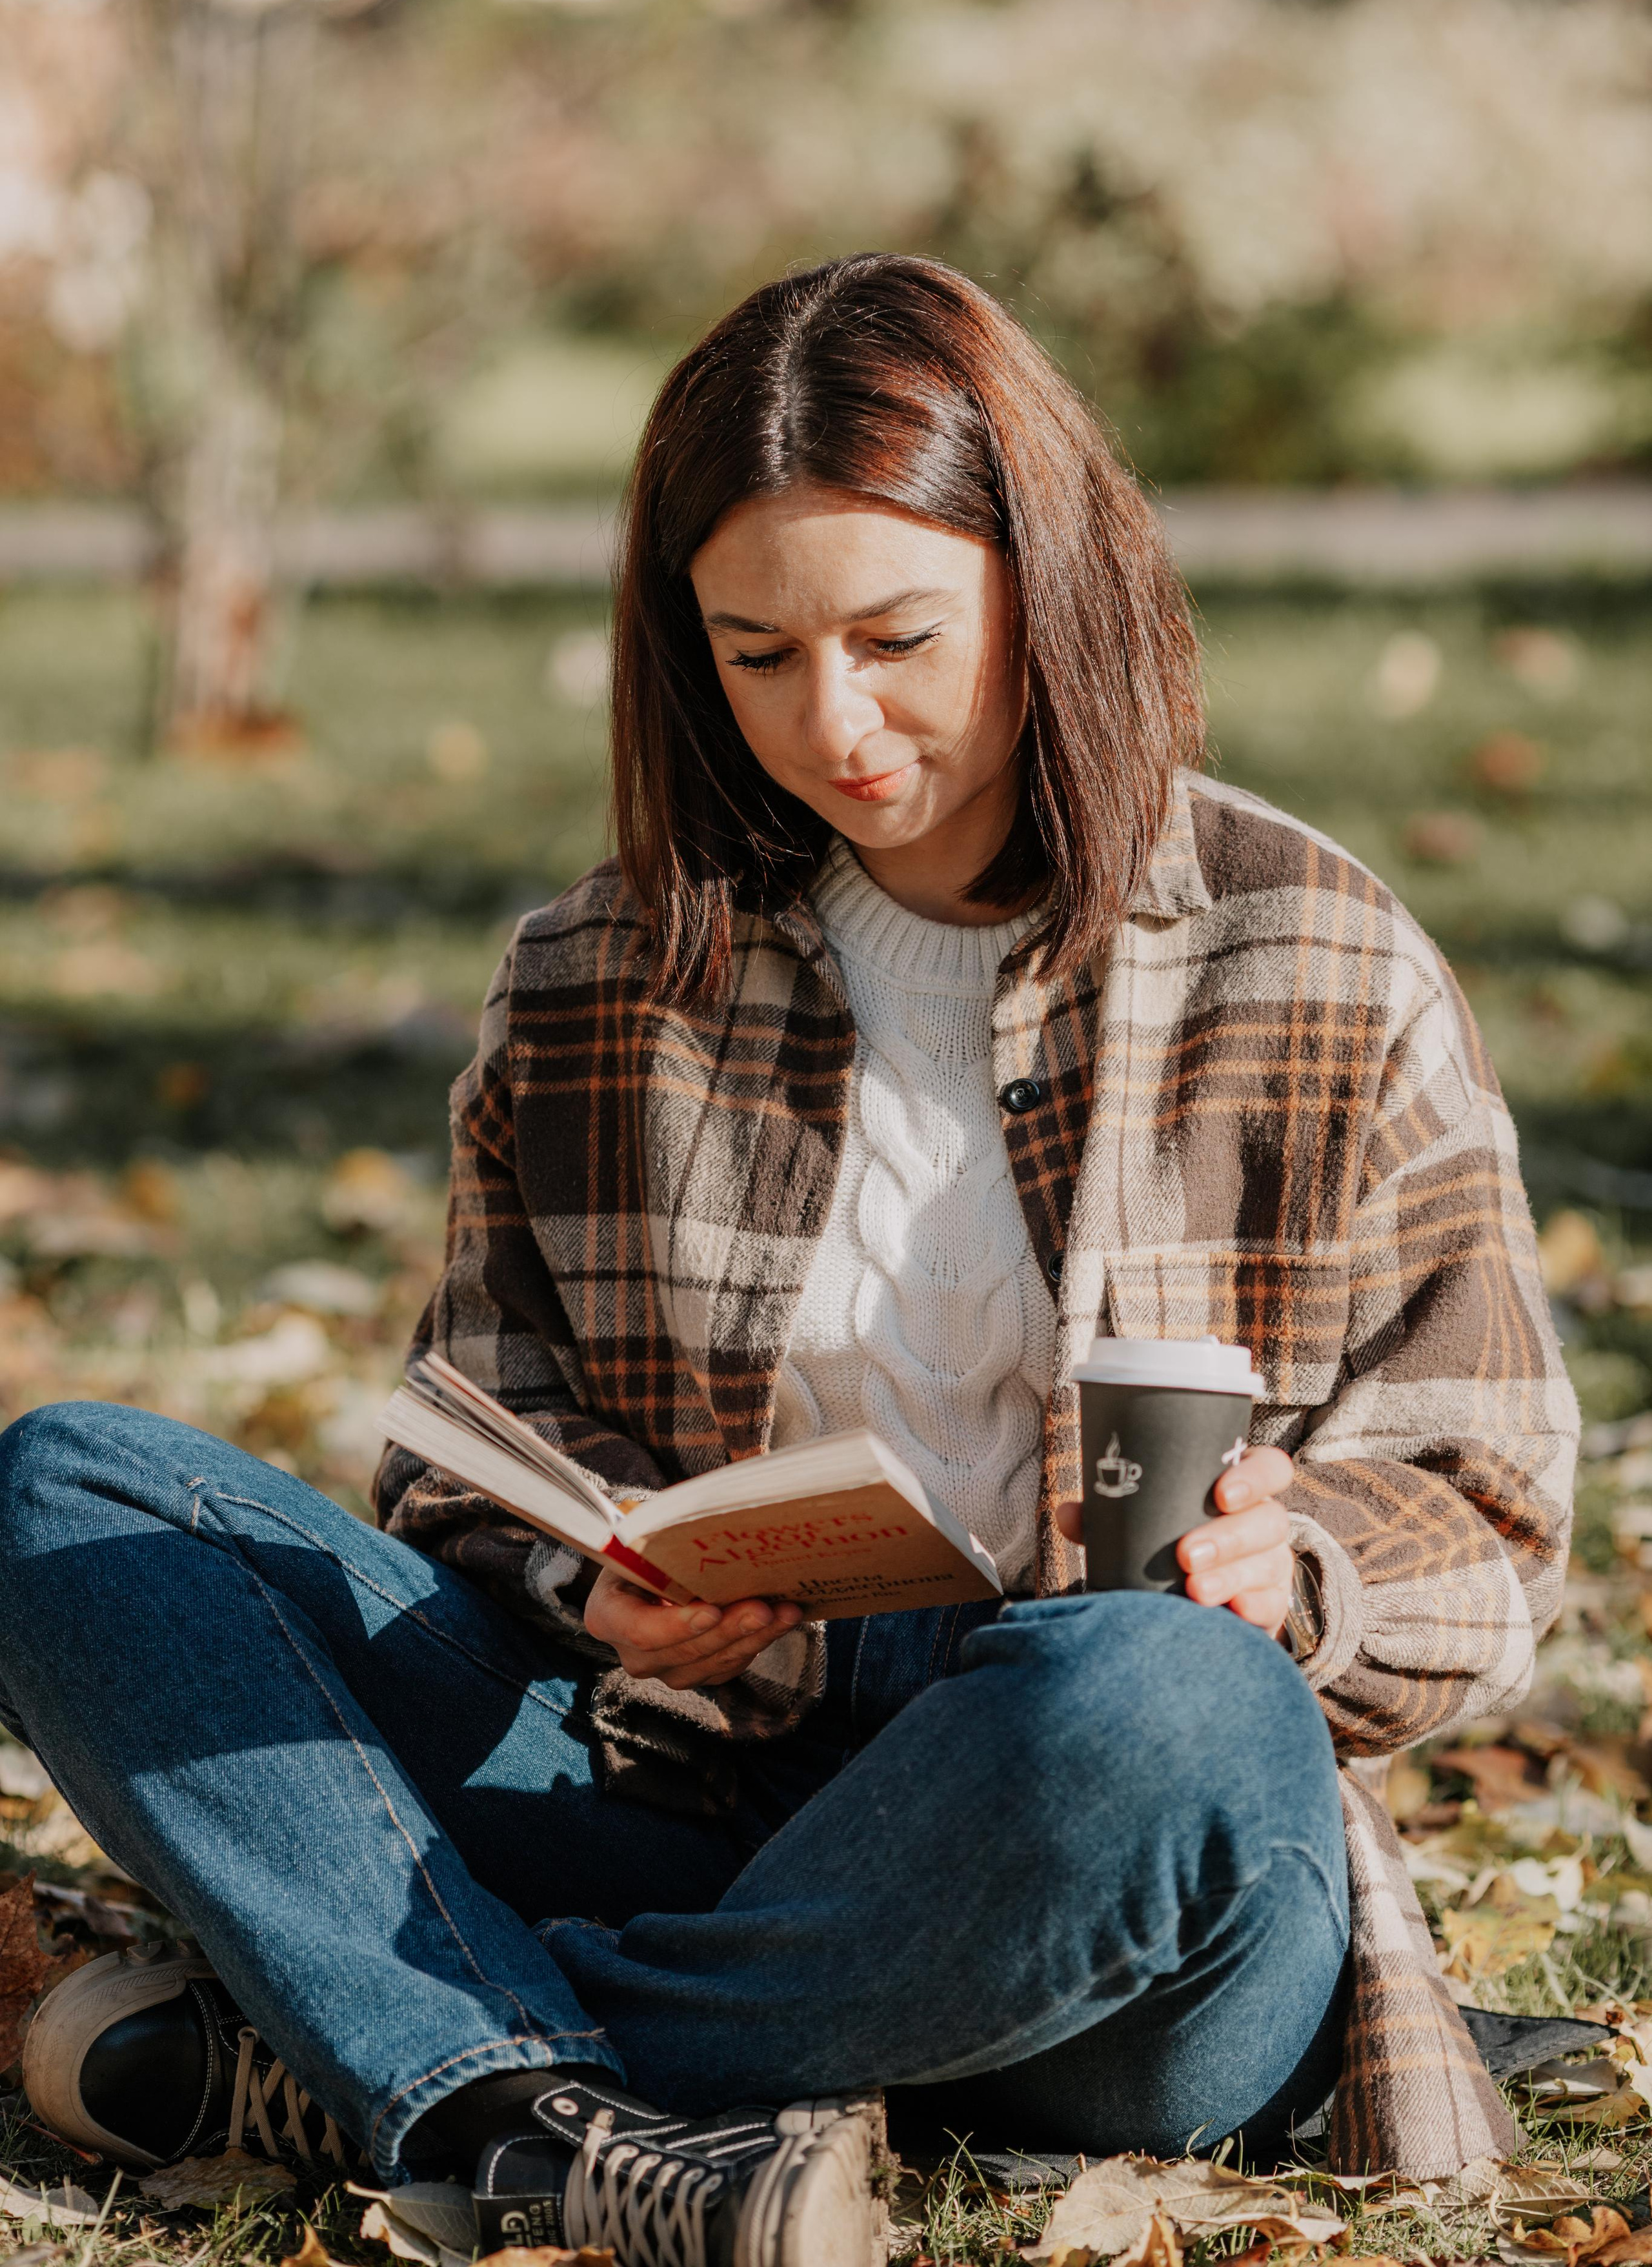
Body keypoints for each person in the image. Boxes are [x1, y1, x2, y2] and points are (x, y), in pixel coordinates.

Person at [1, 256, 1575, 2267]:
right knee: (78, 1492)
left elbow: (1493, 1506)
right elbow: (474, 1455)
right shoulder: (594, 977)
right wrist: (608, 1573)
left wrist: (1316, 1564)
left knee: (1172, 1704)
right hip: (683, 1767)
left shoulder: (1315, 955)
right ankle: (545, 2115)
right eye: (755, 654)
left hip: (1091, 1860)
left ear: (1045, 580)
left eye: (897, 637)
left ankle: (417, 2069)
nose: (834, 722)